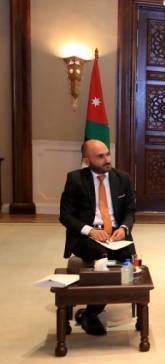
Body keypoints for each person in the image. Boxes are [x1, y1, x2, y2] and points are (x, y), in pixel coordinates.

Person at [58, 139, 137, 336]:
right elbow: (65, 216)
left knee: (128, 262)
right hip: (87, 235)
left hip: (116, 234)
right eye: (100, 156)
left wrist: (124, 228)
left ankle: (92, 310)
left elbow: (130, 211)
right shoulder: (75, 179)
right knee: (103, 259)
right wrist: (90, 230)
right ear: (87, 160)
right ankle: (91, 314)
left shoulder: (122, 178)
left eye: (107, 154)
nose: (107, 159)